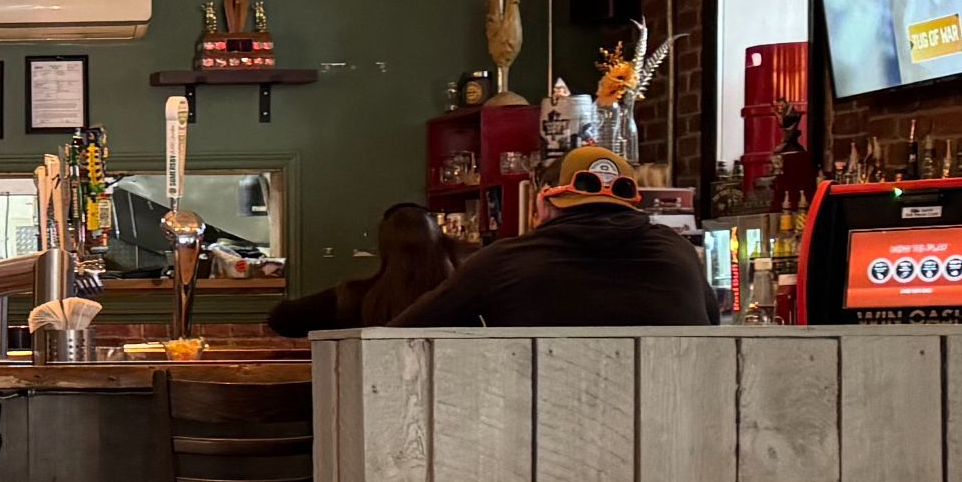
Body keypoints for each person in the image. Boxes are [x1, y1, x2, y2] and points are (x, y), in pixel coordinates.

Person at [385, 148, 715, 327]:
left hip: (537, 428)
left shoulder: (503, 261)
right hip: (676, 426)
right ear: (632, 202)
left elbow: (398, 337)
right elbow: (713, 328)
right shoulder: (679, 252)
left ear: (543, 202)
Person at [270, 201, 462, 334]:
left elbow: (281, 318)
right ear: (442, 244)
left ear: (384, 247)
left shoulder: (356, 297)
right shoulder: (461, 298)